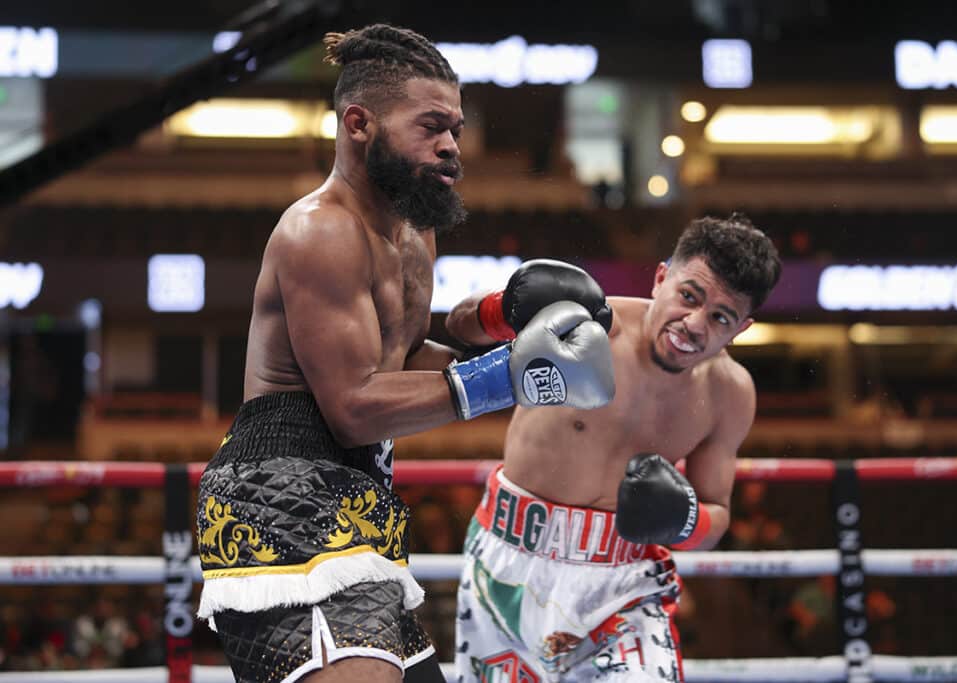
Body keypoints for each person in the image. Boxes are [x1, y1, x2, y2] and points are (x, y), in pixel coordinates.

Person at [194, 24, 616, 683]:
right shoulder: (320, 230)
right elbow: (356, 406)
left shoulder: (415, 230)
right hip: (279, 497)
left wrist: (503, 326)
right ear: (359, 123)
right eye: (430, 126)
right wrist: (510, 374)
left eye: (455, 126)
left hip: (361, 501)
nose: (451, 146)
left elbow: (402, 355)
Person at [447, 214, 782, 681]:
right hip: (506, 567)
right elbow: (458, 327)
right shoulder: (589, 323)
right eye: (689, 297)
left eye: (720, 318)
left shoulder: (730, 392)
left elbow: (715, 516)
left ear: (740, 329)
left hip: (623, 586)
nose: (693, 324)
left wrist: (685, 520)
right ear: (662, 277)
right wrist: (503, 309)